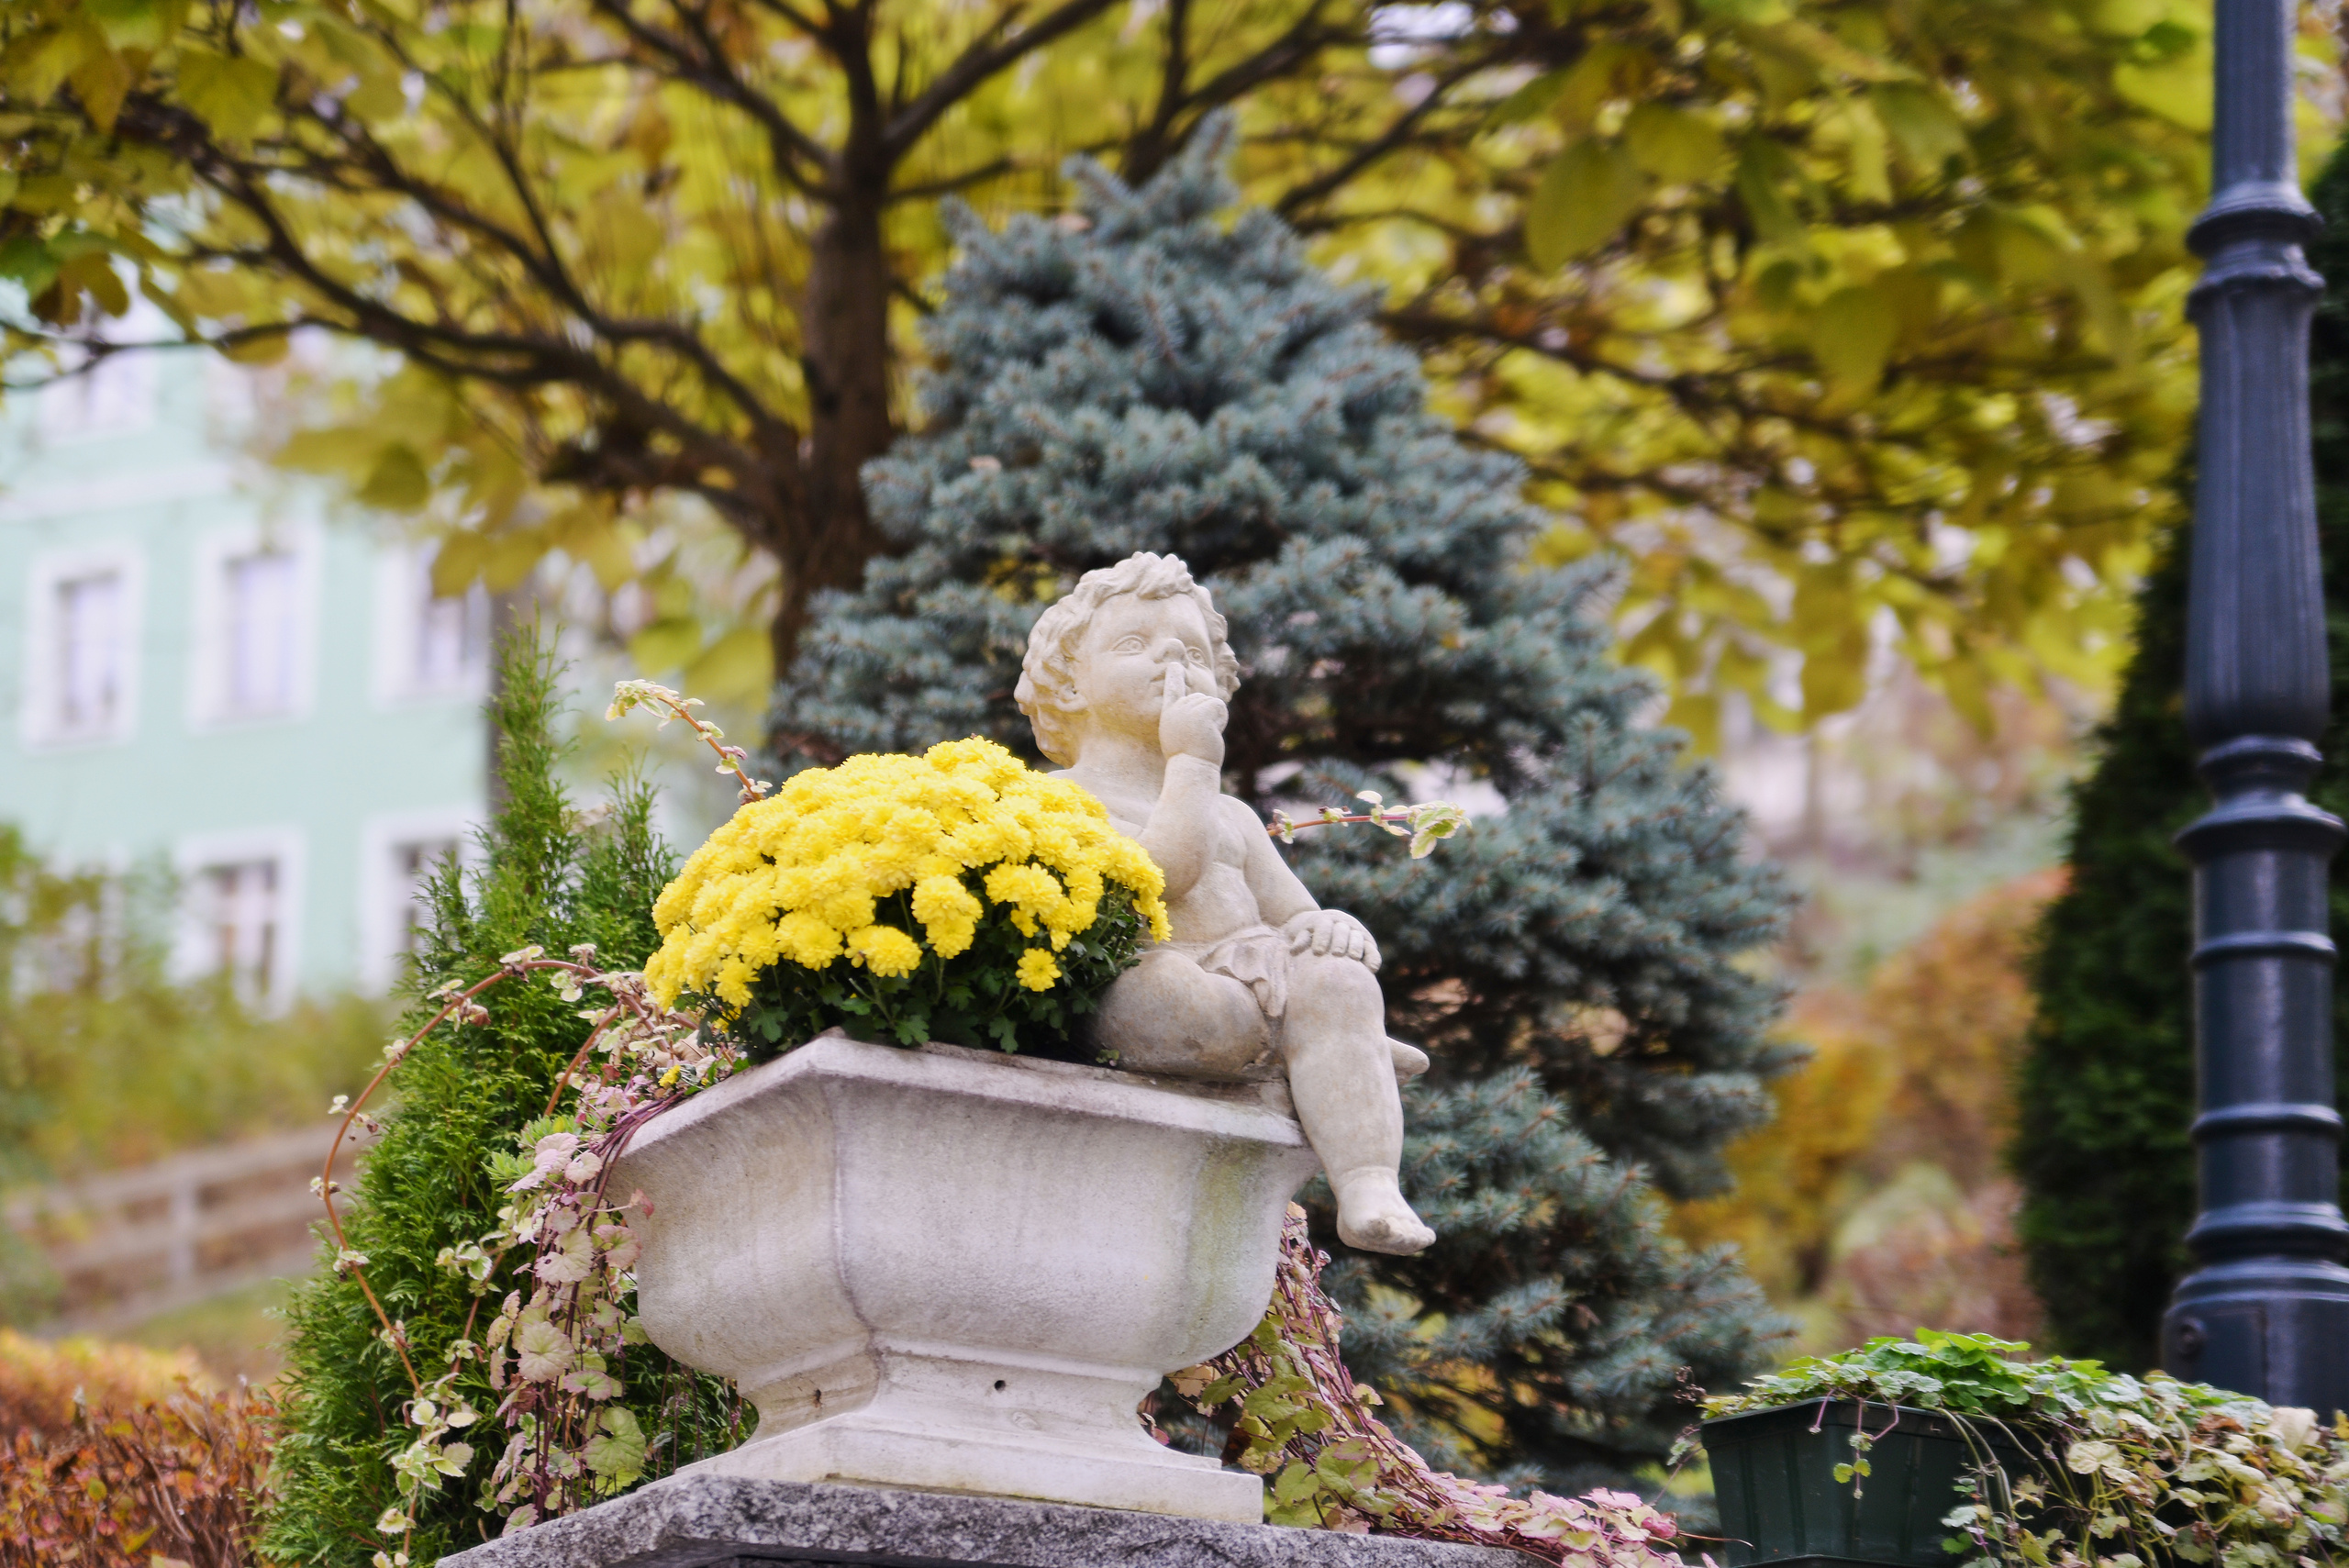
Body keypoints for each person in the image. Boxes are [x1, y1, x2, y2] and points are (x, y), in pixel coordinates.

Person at [1016, 551, 1436, 1255]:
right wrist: (1191, 763)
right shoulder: (1061, 799)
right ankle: (1325, 1042)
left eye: (1191, 654)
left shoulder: (1234, 816)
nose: (1169, 661)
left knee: (1338, 978)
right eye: (1134, 643)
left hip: (1251, 969)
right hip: (1148, 973)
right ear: (1068, 683)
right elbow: (1160, 876)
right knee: (1186, 1000)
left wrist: (1327, 926)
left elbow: (1293, 914)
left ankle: (1368, 1181)